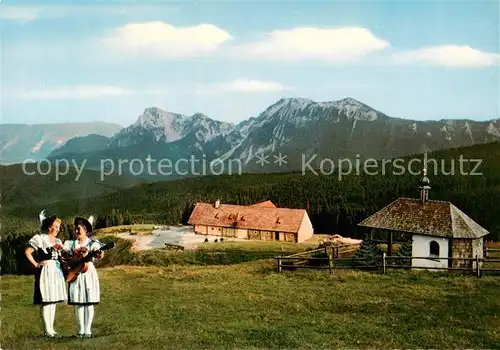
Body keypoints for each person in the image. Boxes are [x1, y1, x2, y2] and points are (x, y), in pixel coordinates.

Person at [24, 210, 68, 338]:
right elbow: (28, 252)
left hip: (57, 271)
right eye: (56, 227)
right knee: (47, 300)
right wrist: (36, 264)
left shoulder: (58, 242)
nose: (58, 229)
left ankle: (51, 329)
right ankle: (47, 329)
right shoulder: (41, 239)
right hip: (46, 271)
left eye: (59, 227)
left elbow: (61, 257)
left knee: (53, 300)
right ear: (49, 227)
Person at [63, 215, 104, 338]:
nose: (76, 231)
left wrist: (98, 253)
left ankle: (88, 330)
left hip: (88, 273)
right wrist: (69, 263)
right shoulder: (70, 244)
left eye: (78, 229)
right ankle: (81, 330)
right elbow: (65, 258)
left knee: (89, 302)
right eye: (75, 229)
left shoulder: (92, 243)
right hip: (75, 274)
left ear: (85, 229)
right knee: (78, 302)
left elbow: (100, 255)